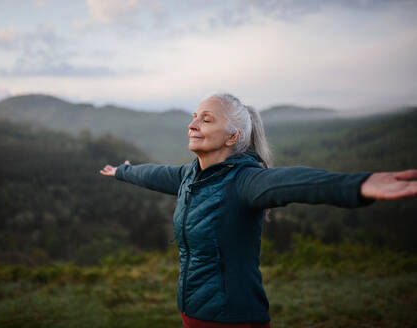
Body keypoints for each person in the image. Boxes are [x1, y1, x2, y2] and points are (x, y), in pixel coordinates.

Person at [100, 93, 417, 328]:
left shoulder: (244, 182)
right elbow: (152, 174)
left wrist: (359, 184)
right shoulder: (188, 177)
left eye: (206, 119)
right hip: (192, 313)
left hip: (233, 318)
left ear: (233, 136)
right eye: (194, 116)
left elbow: (292, 182)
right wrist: (123, 171)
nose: (192, 124)